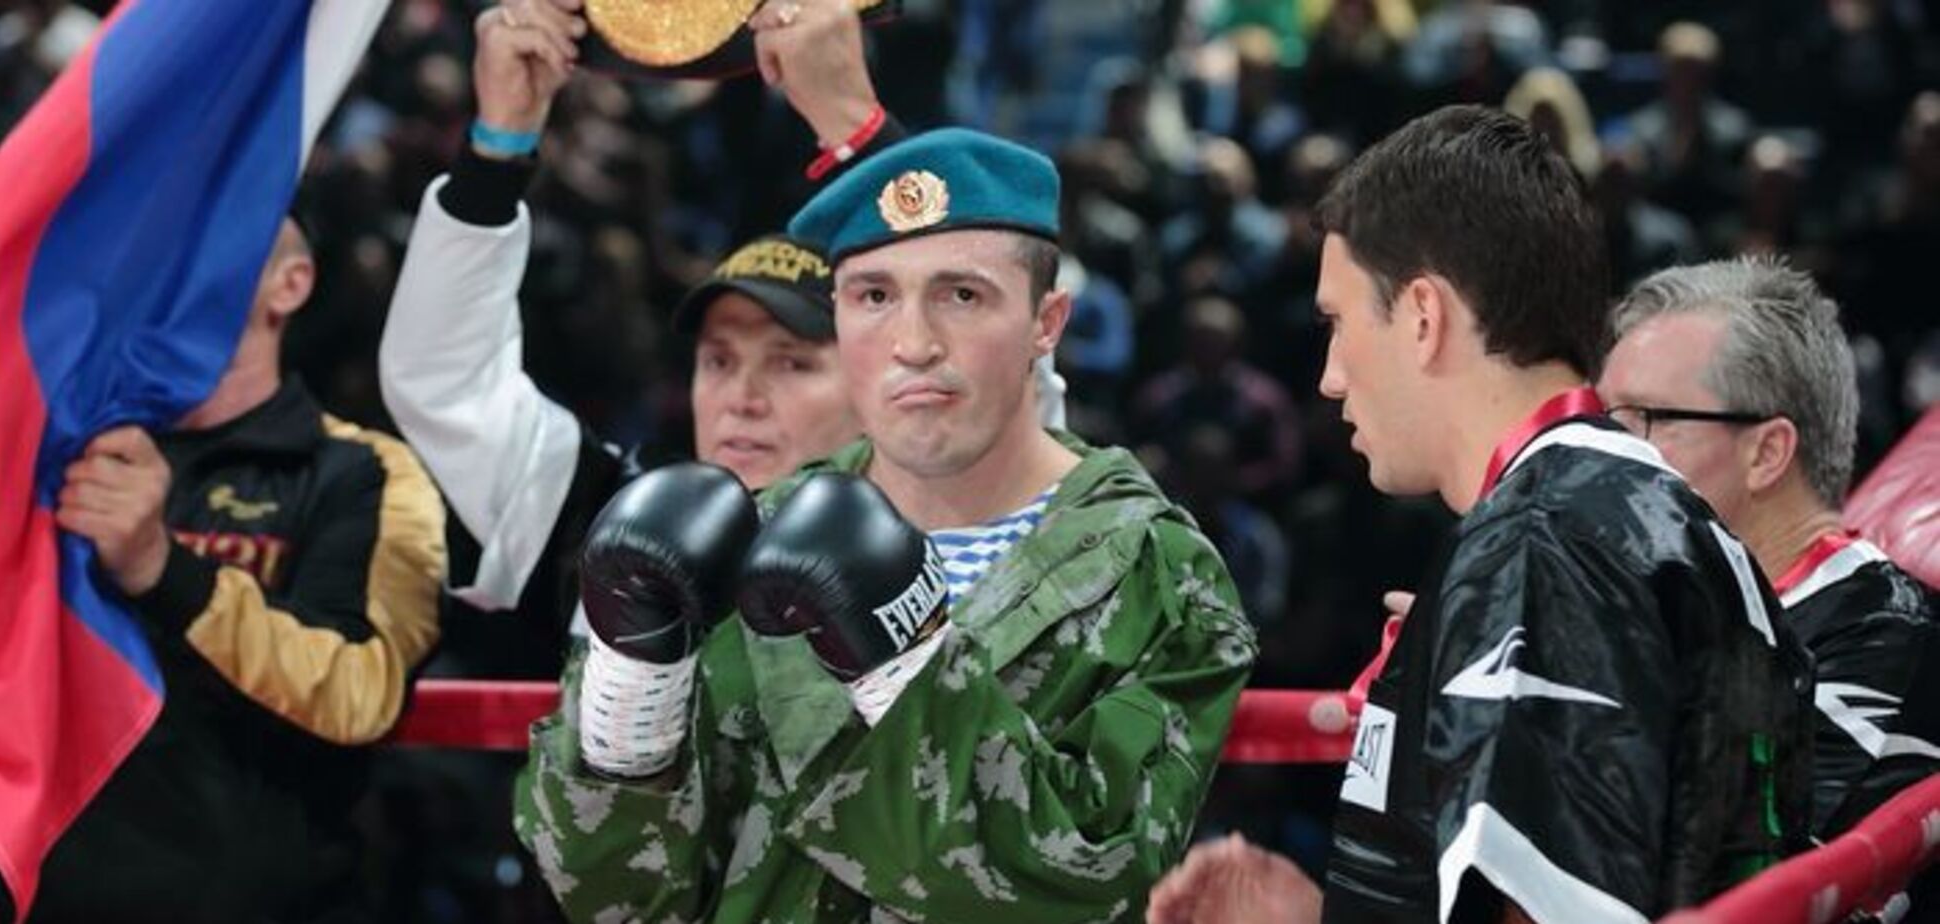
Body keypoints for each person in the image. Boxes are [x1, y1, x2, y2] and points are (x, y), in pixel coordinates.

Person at [512, 125, 1258, 923]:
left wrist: (905, 661)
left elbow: (1085, 885)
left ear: (1047, 323)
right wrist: (634, 692)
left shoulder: (1157, 571)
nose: (914, 345)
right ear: (835, 314)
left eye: (962, 295)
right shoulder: (740, 538)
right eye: (874, 296)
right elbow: (612, 897)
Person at [1148, 105, 1815, 924]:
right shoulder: (1642, 509)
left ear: (1424, 318)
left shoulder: (1544, 539)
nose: (1327, 376)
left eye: (1339, 322)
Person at [377, 0, 1066, 637]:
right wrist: (495, 154)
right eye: (719, 360)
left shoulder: (961, 523)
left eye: (792, 361)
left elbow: (999, 384)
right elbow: (443, 381)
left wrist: (856, 129)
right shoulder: (621, 521)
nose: (743, 399)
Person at [37, 218, 446, 923]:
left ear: (290, 283)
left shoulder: (361, 472)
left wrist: (162, 570)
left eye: (213, 232)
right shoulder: (63, 457)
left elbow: (359, 686)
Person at [1599, 257, 1937, 843]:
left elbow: (1730, 878)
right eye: (1602, 419)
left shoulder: (1886, 636)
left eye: (1645, 420)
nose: (1595, 454)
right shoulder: (1666, 617)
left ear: (1766, 453)